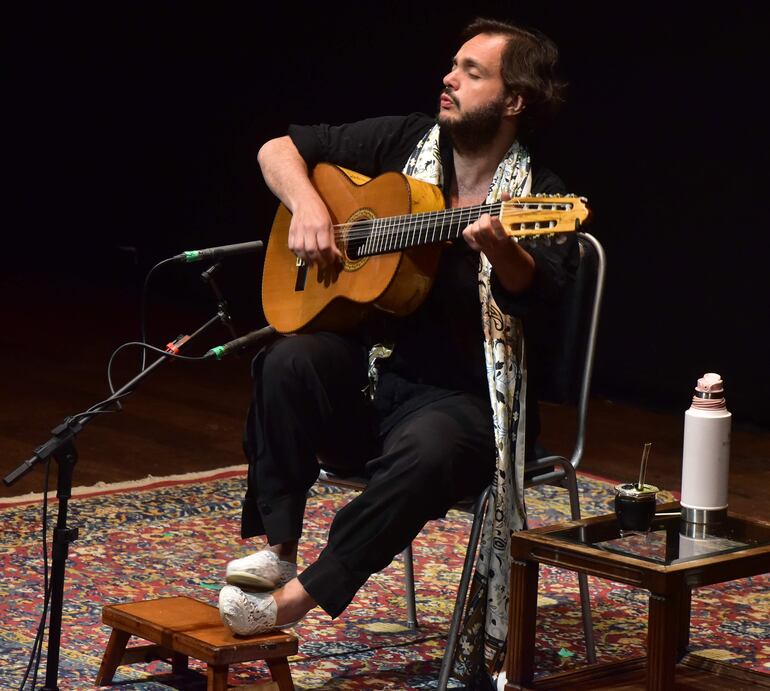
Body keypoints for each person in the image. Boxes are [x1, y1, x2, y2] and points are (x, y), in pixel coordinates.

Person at [219, 17, 575, 683]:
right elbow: (278, 149)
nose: (450, 77)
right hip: (373, 381)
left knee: (431, 449)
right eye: (453, 65)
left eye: (473, 72)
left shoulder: (541, 197)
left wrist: (501, 246)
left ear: (514, 101)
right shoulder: (406, 139)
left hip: (462, 405)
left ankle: (301, 597)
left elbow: (540, 289)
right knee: (289, 359)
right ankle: (278, 549)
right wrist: (309, 208)